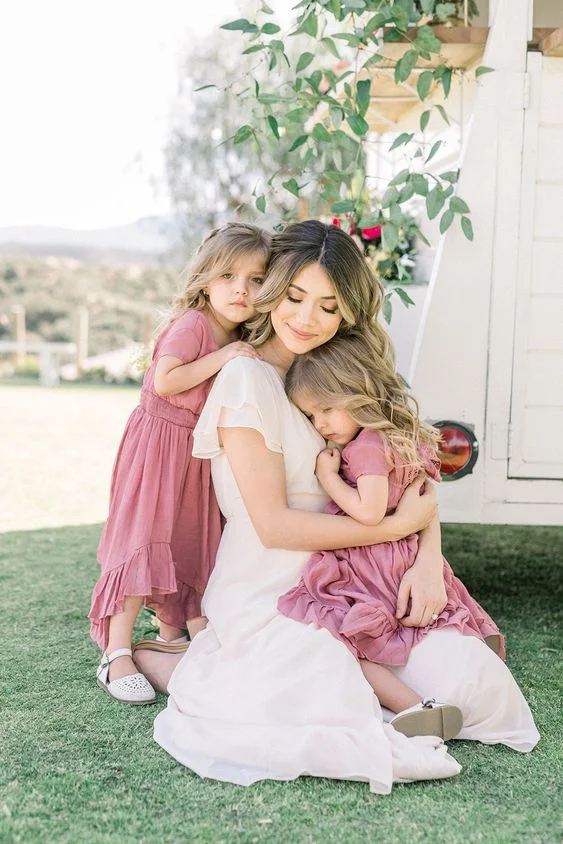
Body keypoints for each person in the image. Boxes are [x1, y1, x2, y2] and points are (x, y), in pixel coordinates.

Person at [136, 219, 472, 793]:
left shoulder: (339, 372)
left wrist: (425, 555)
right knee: (306, 695)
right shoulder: (244, 377)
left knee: (470, 686)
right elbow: (271, 525)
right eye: (294, 297)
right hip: (271, 576)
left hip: (352, 575)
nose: (307, 319)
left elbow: (406, 469)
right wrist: (393, 526)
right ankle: (174, 661)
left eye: (329, 306)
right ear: (272, 290)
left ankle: (202, 660)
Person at [277, 334, 538, 747]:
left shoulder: (364, 449)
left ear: (358, 392)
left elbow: (369, 511)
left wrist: (328, 478)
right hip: (405, 553)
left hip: (372, 560)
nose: (320, 425)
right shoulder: (399, 435)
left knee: (344, 638)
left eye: (326, 409)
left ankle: (415, 706)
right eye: (311, 416)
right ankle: (459, 673)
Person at [89, 222, 271, 705]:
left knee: (191, 542)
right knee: (142, 536)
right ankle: (117, 652)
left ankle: (172, 638)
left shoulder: (243, 334)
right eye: (229, 275)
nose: (241, 289)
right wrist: (227, 356)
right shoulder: (194, 326)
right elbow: (167, 381)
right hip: (158, 446)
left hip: (195, 454)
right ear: (206, 278)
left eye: (256, 280)